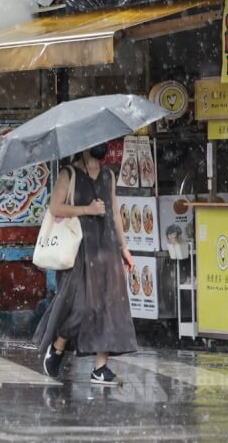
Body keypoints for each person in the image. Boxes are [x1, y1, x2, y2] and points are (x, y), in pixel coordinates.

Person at [33, 143, 138, 385]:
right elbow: (55, 207)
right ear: (85, 147)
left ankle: (100, 368)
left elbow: (114, 213)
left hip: (107, 247)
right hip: (79, 250)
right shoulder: (68, 174)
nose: (103, 148)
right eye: (98, 144)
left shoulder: (108, 175)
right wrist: (87, 209)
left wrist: (125, 249)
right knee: (81, 307)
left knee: (110, 307)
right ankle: (58, 344)